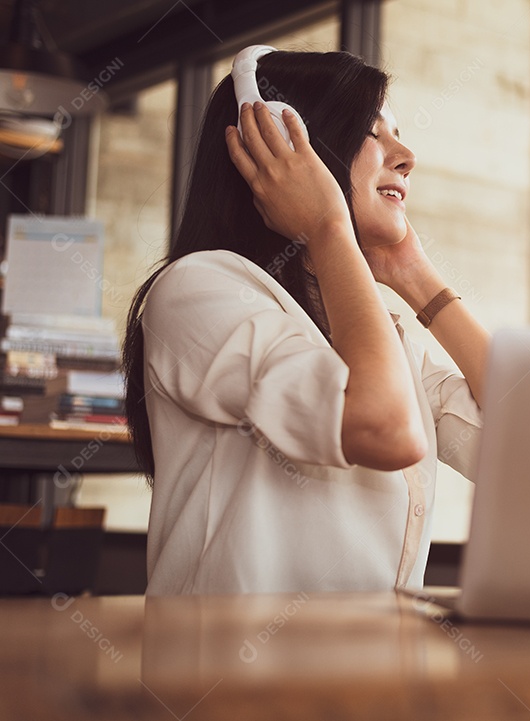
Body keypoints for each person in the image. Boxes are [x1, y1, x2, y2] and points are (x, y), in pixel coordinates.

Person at [122, 48, 488, 595]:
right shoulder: (199, 289)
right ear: (282, 149)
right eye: (374, 132)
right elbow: (383, 428)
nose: (406, 156)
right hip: (229, 676)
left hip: (369, 673)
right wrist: (328, 226)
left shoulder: (384, 337)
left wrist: (417, 278)